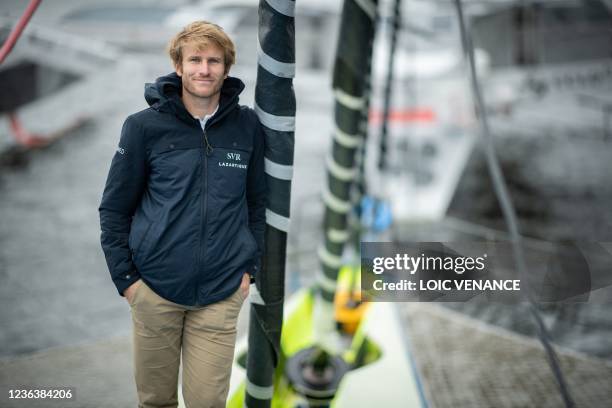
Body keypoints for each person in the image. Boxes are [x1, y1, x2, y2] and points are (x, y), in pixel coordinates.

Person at [99, 21, 266, 408]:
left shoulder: (247, 127)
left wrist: (249, 272)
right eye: (195, 60)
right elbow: (114, 208)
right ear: (179, 65)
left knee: (208, 403)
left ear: (226, 67)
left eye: (213, 61)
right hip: (154, 291)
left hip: (221, 294)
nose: (203, 69)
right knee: (156, 402)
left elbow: (257, 205)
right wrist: (127, 281)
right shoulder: (143, 128)